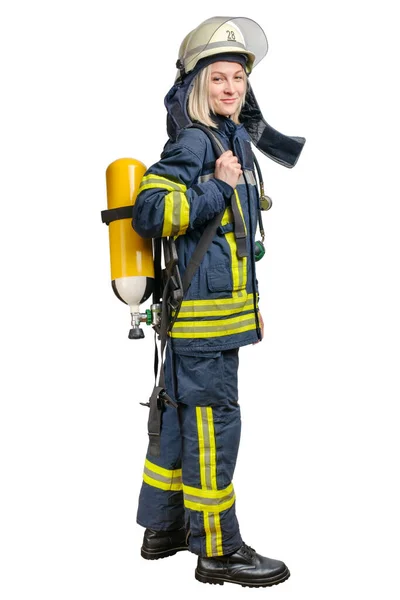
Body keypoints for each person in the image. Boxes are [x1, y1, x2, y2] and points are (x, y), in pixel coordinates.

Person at [132, 16, 305, 587]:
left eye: (239, 79)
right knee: (214, 426)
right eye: (220, 79)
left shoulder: (229, 138)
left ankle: (164, 528)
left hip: (209, 319)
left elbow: (231, 246)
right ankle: (219, 550)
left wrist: (250, 311)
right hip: (202, 326)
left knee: (184, 420)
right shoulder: (194, 141)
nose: (232, 88)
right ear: (197, 86)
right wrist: (217, 187)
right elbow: (151, 211)